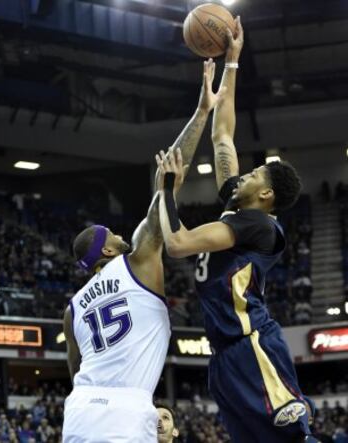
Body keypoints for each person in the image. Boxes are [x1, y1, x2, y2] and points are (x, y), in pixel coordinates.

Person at [156, 17, 317, 443]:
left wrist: (165, 190)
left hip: (253, 345)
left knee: (294, 440)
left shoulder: (258, 226)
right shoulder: (237, 201)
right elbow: (223, 136)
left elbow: (177, 244)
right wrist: (231, 62)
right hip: (224, 356)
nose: (245, 173)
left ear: (266, 196)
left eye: (255, 174)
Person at [62, 59, 224, 443]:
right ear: (106, 253)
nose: (122, 236)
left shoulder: (72, 310)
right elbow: (166, 180)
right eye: (115, 236)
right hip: (125, 410)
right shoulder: (137, 261)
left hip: (80, 410)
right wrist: (202, 111)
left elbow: (76, 370)